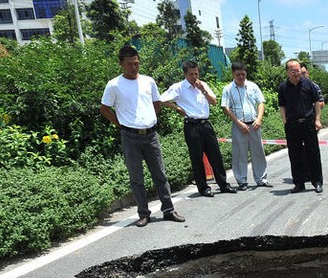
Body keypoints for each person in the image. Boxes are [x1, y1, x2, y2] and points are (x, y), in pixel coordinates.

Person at [99, 45, 185, 228]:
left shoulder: (148, 81)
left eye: (137, 63)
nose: (134, 67)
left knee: (160, 175)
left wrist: (150, 119)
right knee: (136, 178)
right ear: (121, 64)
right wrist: (119, 123)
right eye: (130, 64)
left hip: (151, 135)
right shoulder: (114, 85)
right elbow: (104, 108)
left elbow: (157, 103)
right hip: (130, 136)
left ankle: (168, 210)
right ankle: (144, 214)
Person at [160, 60, 237, 197]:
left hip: (206, 124)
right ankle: (203, 188)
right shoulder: (178, 87)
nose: (195, 77)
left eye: (196, 73)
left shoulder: (203, 85)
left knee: (216, 155)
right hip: (191, 125)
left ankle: (223, 184)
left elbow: (213, 102)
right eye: (191, 74)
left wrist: (203, 90)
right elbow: (161, 100)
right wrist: (176, 107)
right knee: (196, 157)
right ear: (185, 74)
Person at [221, 62, 270, 190]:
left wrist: (259, 119)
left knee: (258, 152)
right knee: (239, 154)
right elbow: (226, 108)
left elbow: (261, 102)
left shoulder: (253, 86)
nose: (241, 77)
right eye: (238, 75)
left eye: (243, 74)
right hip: (239, 126)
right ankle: (242, 181)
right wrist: (239, 123)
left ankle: (261, 179)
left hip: (254, 125)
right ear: (233, 74)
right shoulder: (228, 89)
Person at [278, 59, 324, 193]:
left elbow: (316, 103)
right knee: (294, 154)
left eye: (298, 70)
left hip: (308, 123)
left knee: (313, 153)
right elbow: (282, 106)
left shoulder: (308, 84)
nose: (296, 73)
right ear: (287, 72)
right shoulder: (283, 88)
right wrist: (285, 122)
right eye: (293, 71)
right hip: (292, 125)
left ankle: (317, 182)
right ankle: (298, 183)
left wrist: (317, 119)